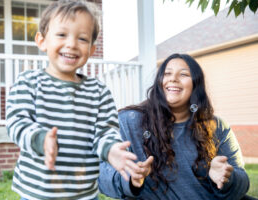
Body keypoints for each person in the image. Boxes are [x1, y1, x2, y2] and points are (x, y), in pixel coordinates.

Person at [6, 1, 150, 199]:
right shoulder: (29, 82)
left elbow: (106, 132)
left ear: (91, 49)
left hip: (84, 194)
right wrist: (40, 139)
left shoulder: (99, 92)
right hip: (37, 193)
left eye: (82, 38)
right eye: (62, 34)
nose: (72, 44)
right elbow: (17, 122)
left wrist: (112, 150)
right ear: (42, 41)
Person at [99, 53, 250, 199]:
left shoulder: (217, 126)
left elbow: (242, 181)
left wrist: (228, 179)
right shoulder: (129, 122)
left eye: (183, 74)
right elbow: (101, 173)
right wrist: (130, 181)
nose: (173, 79)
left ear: (196, 84)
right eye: (167, 73)